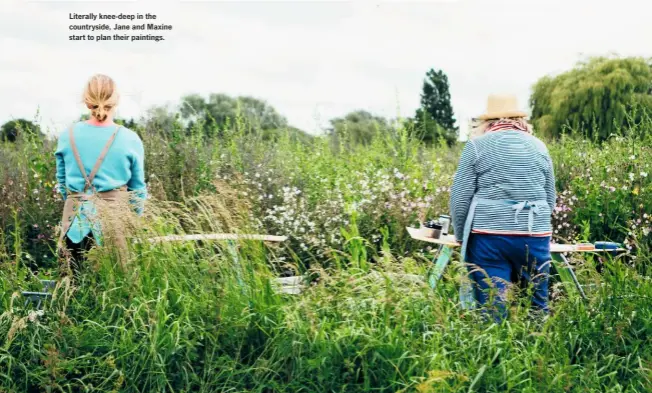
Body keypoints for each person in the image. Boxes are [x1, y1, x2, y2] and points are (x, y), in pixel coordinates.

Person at [449, 94, 556, 321]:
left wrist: (460, 235)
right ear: (520, 119)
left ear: (486, 122)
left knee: (492, 305)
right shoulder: (540, 147)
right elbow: (550, 198)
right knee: (536, 304)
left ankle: (496, 352)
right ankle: (540, 349)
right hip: (534, 235)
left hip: (490, 237)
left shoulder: (477, 146)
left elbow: (460, 198)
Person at [55, 74, 147, 278]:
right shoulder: (130, 139)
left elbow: (62, 186)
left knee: (71, 287)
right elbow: (138, 191)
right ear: (116, 100)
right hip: (115, 225)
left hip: (74, 223)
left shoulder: (67, 136)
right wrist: (132, 220)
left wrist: (79, 201)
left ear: (87, 101)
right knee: (116, 289)